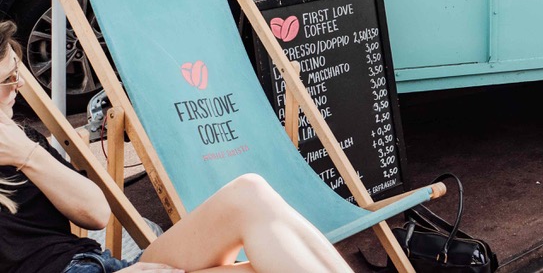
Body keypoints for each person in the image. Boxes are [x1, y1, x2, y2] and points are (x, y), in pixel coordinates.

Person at [0, 21, 353, 273]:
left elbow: (95, 214)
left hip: (103, 264)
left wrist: (28, 156)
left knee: (249, 193)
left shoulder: (17, 135)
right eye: (7, 80)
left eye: (17, 73)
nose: (17, 86)